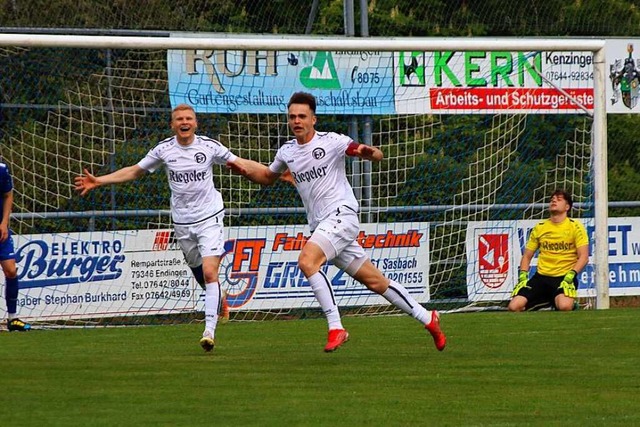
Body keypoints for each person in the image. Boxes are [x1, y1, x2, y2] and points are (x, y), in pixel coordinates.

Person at [227, 91, 446, 352]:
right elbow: (266, 175)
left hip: (342, 216)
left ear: (314, 119)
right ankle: (427, 317)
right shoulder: (286, 151)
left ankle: (336, 326)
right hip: (323, 226)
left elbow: (356, 149)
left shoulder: (331, 141)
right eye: (292, 117)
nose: (296, 121)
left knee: (307, 261)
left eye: (302, 116)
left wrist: (370, 152)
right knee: (376, 282)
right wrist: (242, 168)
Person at [75, 104, 238, 352]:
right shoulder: (164, 149)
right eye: (179, 119)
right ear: (172, 125)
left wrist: (273, 172)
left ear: (196, 123)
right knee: (198, 271)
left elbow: (240, 163)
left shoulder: (209, 146)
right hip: (183, 221)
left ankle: (208, 331)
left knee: (208, 272)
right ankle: (220, 297)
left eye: (189, 118)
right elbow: (134, 171)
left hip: (210, 217)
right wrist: (100, 180)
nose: (184, 122)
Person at [508, 189, 589, 312]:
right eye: (552, 199)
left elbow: (583, 257)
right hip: (541, 277)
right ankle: (546, 301)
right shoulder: (540, 227)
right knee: (514, 306)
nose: (554, 200)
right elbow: (527, 256)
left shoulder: (575, 227)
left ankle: (568, 303)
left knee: (564, 306)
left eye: (559, 199)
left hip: (563, 278)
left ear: (567, 207)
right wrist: (523, 277)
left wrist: (571, 275)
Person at [0, 162, 31, 331]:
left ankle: (12, 319)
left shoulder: (1, 170)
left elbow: (8, 195)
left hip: (1, 230)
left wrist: (4, 223)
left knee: (11, 270)